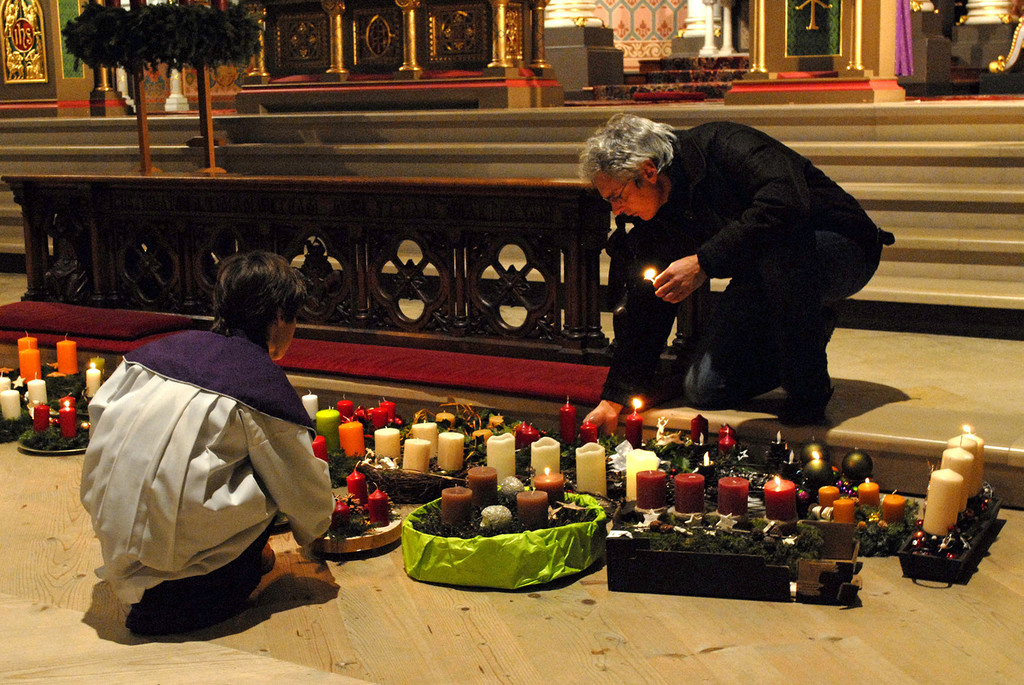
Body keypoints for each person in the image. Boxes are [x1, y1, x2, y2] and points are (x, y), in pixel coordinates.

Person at [579, 114, 893, 428]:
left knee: (780, 250)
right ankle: (811, 326)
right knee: (705, 387)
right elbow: (651, 299)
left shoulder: (725, 144)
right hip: (764, 270)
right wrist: (614, 398)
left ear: (648, 171)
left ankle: (807, 389)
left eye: (618, 197)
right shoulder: (656, 212)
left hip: (842, 247)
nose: (616, 210)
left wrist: (703, 262)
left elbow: (785, 205)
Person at [81, 251, 333, 635]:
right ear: (281, 316)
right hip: (193, 588)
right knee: (274, 474)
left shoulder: (151, 355)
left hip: (117, 557)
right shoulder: (256, 385)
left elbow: (102, 426)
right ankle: (214, 575)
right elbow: (306, 498)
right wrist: (318, 525)